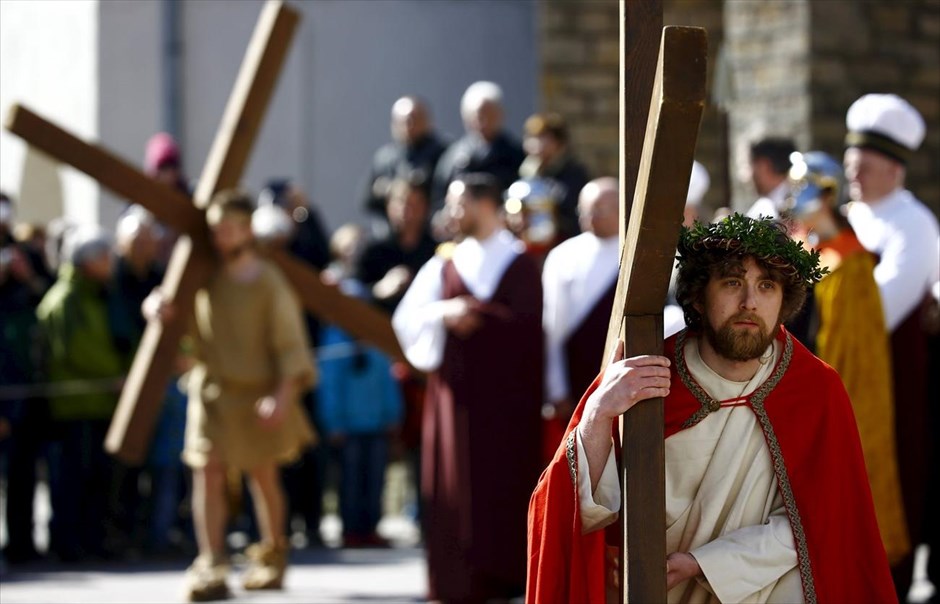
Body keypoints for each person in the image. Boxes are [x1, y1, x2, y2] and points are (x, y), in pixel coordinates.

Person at [528, 214, 896, 604]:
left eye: (766, 286)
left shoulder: (815, 389)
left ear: (784, 300)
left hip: (768, 589)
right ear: (700, 297)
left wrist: (705, 563)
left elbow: (828, 523)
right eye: (733, 283)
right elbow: (566, 511)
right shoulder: (644, 375)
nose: (750, 303)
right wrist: (598, 416)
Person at [143, 190, 316, 600]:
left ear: (246, 229)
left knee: (263, 476)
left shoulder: (267, 280)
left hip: (256, 395)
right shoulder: (203, 275)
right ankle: (212, 560)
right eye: (216, 230)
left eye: (228, 229)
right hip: (212, 391)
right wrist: (157, 308)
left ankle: (273, 554)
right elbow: (177, 315)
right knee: (208, 473)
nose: (221, 238)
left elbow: (292, 346)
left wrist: (282, 394)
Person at [392, 173, 543, 601]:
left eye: (458, 203)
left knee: (503, 484)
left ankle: (507, 574)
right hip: (454, 398)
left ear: (483, 204)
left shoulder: (519, 260)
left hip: (507, 404)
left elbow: (531, 328)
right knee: (455, 486)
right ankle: (458, 578)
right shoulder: (445, 262)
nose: (452, 213)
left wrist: (483, 315)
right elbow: (408, 317)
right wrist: (445, 312)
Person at [785, 150, 909, 567]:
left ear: (827, 193)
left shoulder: (851, 264)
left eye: (804, 185)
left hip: (829, 393)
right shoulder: (803, 248)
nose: (794, 194)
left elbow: (849, 355)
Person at [842, 93, 940, 599]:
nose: (853, 174)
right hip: (837, 379)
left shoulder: (914, 224)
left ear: (894, 169)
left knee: (889, 487)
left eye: (865, 165)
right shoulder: (843, 217)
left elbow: (880, 310)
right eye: (850, 163)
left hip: (889, 388)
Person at [37, 225, 125, 562]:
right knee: (70, 479)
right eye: (104, 257)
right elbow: (72, 351)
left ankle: (94, 539)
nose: (110, 263)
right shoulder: (64, 301)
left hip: (101, 404)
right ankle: (68, 543)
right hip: (72, 408)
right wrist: (113, 375)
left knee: (99, 479)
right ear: (87, 261)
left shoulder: (102, 295)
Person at [317, 224, 404, 548]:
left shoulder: (375, 338)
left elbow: (386, 378)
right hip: (349, 425)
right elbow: (330, 385)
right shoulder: (335, 338)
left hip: (376, 423)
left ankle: (372, 527)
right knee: (350, 480)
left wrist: (392, 414)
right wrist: (334, 422)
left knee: (376, 478)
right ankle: (352, 529)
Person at [541, 178, 619, 462]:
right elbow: (553, 326)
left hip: (620, 370)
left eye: (600, 209)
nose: (590, 217)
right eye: (585, 210)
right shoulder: (563, 256)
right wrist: (556, 387)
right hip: (576, 376)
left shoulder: (634, 250)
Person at [0, 192, 49, 565]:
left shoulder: (27, 255)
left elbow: (47, 303)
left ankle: (22, 543)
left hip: (27, 382)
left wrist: (28, 278)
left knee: (23, 471)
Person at [360, 96, 448, 235]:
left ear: (427, 121)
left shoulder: (443, 153)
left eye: (413, 120)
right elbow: (367, 199)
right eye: (402, 122)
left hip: (430, 235)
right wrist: (391, 191)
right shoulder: (385, 157)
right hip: (394, 237)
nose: (408, 126)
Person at [431, 81, 525, 209]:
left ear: (500, 114)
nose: (483, 122)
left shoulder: (515, 155)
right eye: (478, 116)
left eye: (489, 114)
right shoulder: (454, 156)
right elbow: (439, 197)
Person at [357, 176, 438, 315]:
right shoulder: (373, 252)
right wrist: (379, 289)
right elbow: (354, 295)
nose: (407, 210)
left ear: (426, 207)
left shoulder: (438, 253)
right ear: (389, 206)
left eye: (415, 204)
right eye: (402, 202)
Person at [517, 112, 590, 241]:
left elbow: (568, 208)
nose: (535, 144)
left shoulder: (574, 173)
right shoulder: (527, 173)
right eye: (531, 137)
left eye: (542, 137)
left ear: (559, 142)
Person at [745, 137, 796, 220]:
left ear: (764, 166)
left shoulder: (763, 209)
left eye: (752, 165)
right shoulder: (808, 203)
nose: (749, 174)